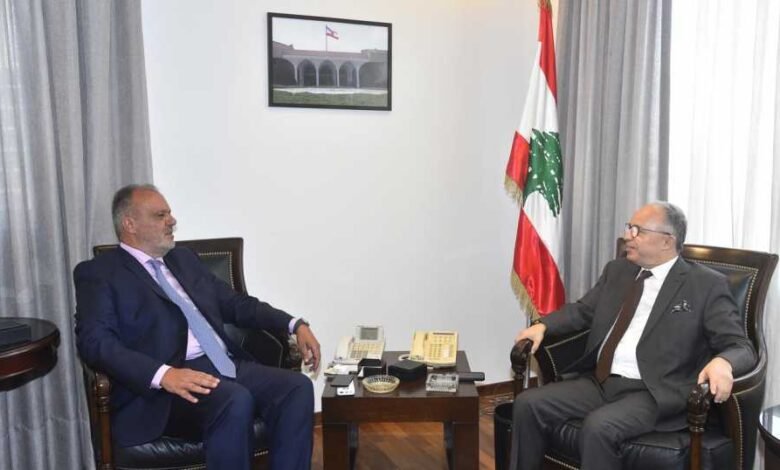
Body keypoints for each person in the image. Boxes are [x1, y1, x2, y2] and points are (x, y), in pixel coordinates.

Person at [74, 184, 321, 470]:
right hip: (166, 387)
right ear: (130, 224)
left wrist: (293, 323)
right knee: (234, 399)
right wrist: (163, 375)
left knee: (297, 387)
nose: (172, 220)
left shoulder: (183, 259)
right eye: (160, 215)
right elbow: (95, 342)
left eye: (169, 213)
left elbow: (236, 304)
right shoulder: (101, 273)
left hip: (224, 364)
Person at [510, 202, 756, 470]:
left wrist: (723, 362)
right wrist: (543, 326)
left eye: (637, 230)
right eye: (629, 227)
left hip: (654, 392)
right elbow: (583, 310)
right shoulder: (618, 270)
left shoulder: (705, 285)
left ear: (667, 241)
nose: (627, 236)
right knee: (527, 404)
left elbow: (740, 345)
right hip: (601, 381)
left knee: (599, 427)